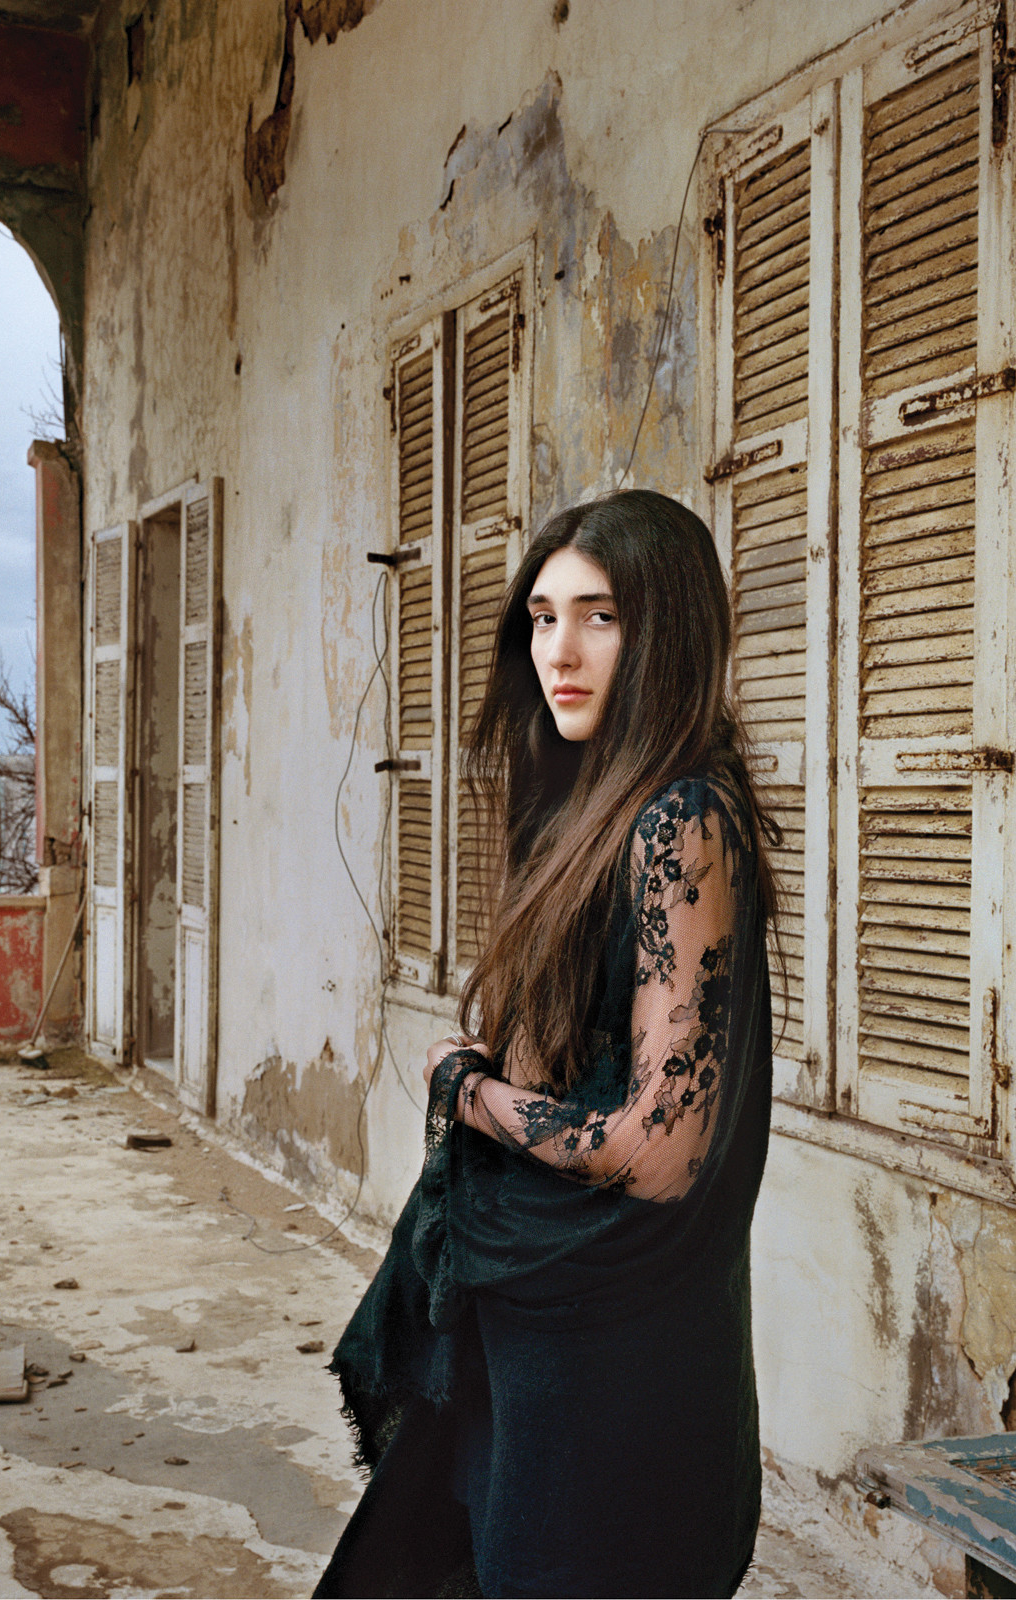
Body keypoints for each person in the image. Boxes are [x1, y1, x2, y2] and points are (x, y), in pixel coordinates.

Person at [318, 490, 781, 1599]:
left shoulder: (682, 821)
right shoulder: (591, 812)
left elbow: (656, 1149)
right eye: (538, 617)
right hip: (537, 1334)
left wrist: (462, 1089)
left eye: (597, 617)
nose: (555, 652)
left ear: (664, 630)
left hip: (618, 1364)